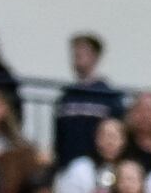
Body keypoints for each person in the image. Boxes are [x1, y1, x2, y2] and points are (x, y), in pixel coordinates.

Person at [53, 32, 125, 167]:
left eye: (83, 53)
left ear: (95, 56)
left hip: (96, 166)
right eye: (75, 54)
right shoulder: (66, 97)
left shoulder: (107, 96)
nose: (77, 58)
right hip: (66, 164)